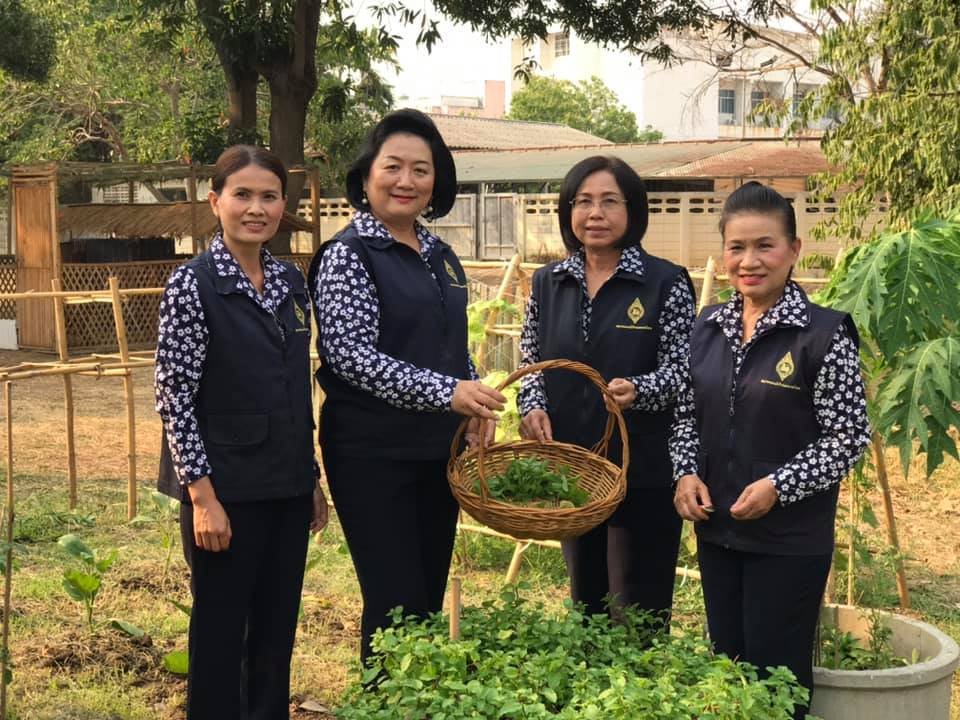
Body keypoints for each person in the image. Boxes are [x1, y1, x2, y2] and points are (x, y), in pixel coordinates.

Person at [308, 109, 506, 665]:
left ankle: (410, 702)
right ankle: (382, 700)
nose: (406, 181)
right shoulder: (349, 255)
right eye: (393, 167)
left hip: (434, 452)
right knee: (394, 599)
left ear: (436, 181)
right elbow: (350, 357)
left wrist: (472, 400)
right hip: (372, 452)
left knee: (424, 596)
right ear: (367, 175)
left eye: (421, 170)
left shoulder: (440, 256)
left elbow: (449, 343)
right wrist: (448, 392)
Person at [671, 182, 870, 719]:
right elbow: (688, 414)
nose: (749, 261)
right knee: (728, 668)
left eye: (765, 245)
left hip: (788, 539)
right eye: (737, 247)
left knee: (776, 678)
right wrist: (686, 474)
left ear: (794, 249)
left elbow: (848, 438)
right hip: (718, 528)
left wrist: (780, 487)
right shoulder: (707, 326)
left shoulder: (823, 335)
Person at [155, 145, 328, 720]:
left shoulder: (289, 283)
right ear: (216, 201)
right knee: (221, 635)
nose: (257, 208)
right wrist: (201, 497)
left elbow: (294, 387)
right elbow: (174, 397)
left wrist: (310, 477)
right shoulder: (192, 285)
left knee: (276, 635)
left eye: (269, 196)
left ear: (284, 204)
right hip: (223, 490)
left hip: (284, 482)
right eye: (243, 195)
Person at [518, 156, 696, 628]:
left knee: (639, 607)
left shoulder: (665, 282)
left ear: (632, 211)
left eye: (609, 202)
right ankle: (591, 698)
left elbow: (684, 371)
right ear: (568, 211)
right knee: (587, 601)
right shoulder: (548, 281)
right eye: (584, 202)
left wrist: (640, 389)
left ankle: (639, 697)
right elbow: (531, 358)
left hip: (643, 468)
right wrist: (532, 402)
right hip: (575, 466)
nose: (595, 214)